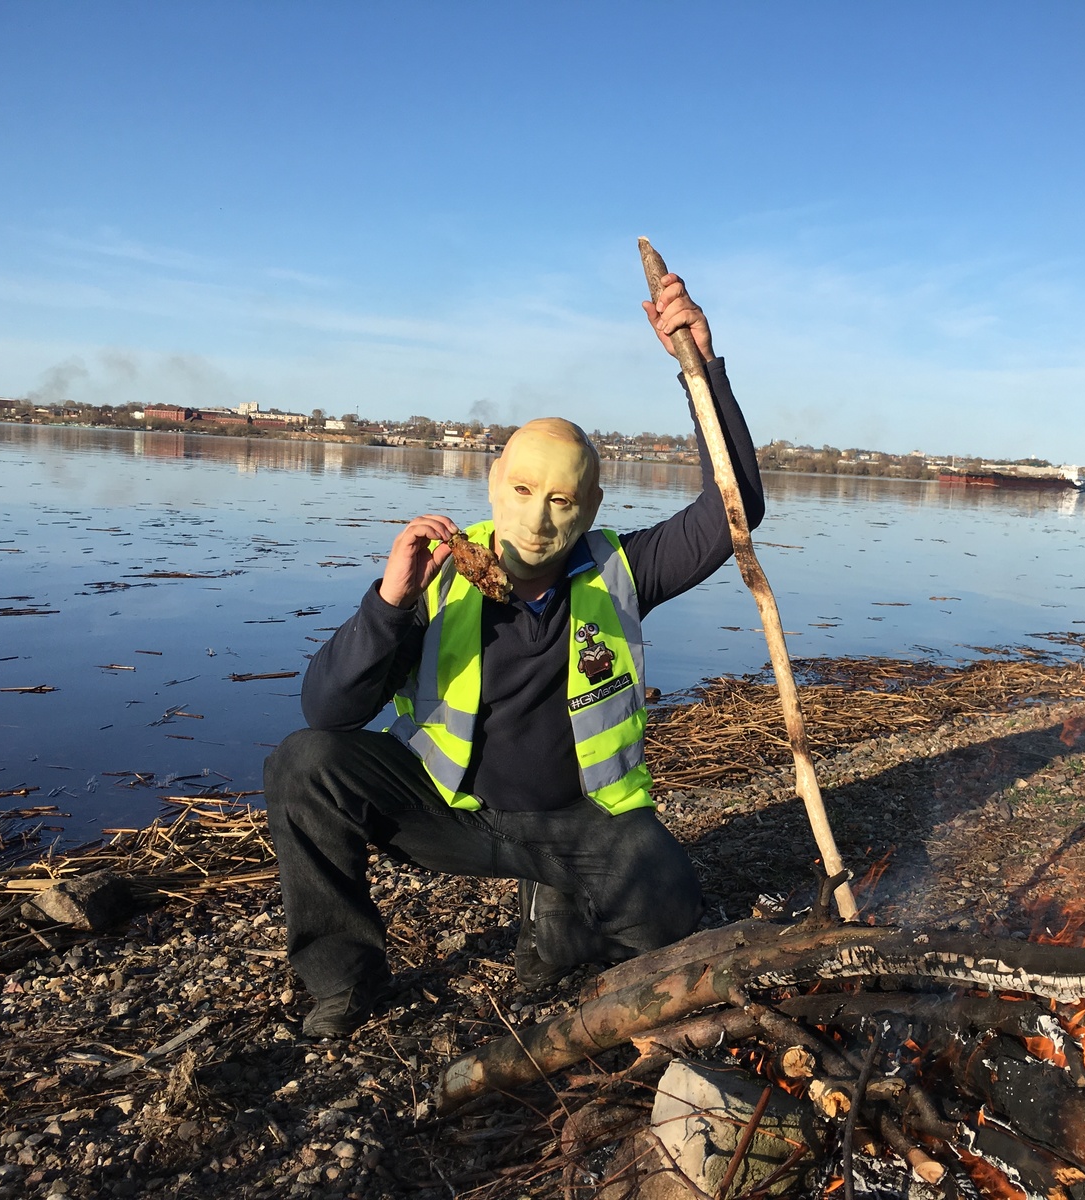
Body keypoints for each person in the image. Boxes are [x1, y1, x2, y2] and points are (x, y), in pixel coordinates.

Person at [264, 272, 764, 1037]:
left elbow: (733, 508)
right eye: (524, 490)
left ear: (590, 508)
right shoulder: (434, 574)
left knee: (669, 914)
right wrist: (388, 604)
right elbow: (327, 713)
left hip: (581, 823)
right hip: (450, 814)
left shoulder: (622, 570)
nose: (537, 518)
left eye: (563, 500)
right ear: (494, 485)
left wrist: (702, 365)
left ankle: (557, 906)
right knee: (303, 762)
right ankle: (342, 980)